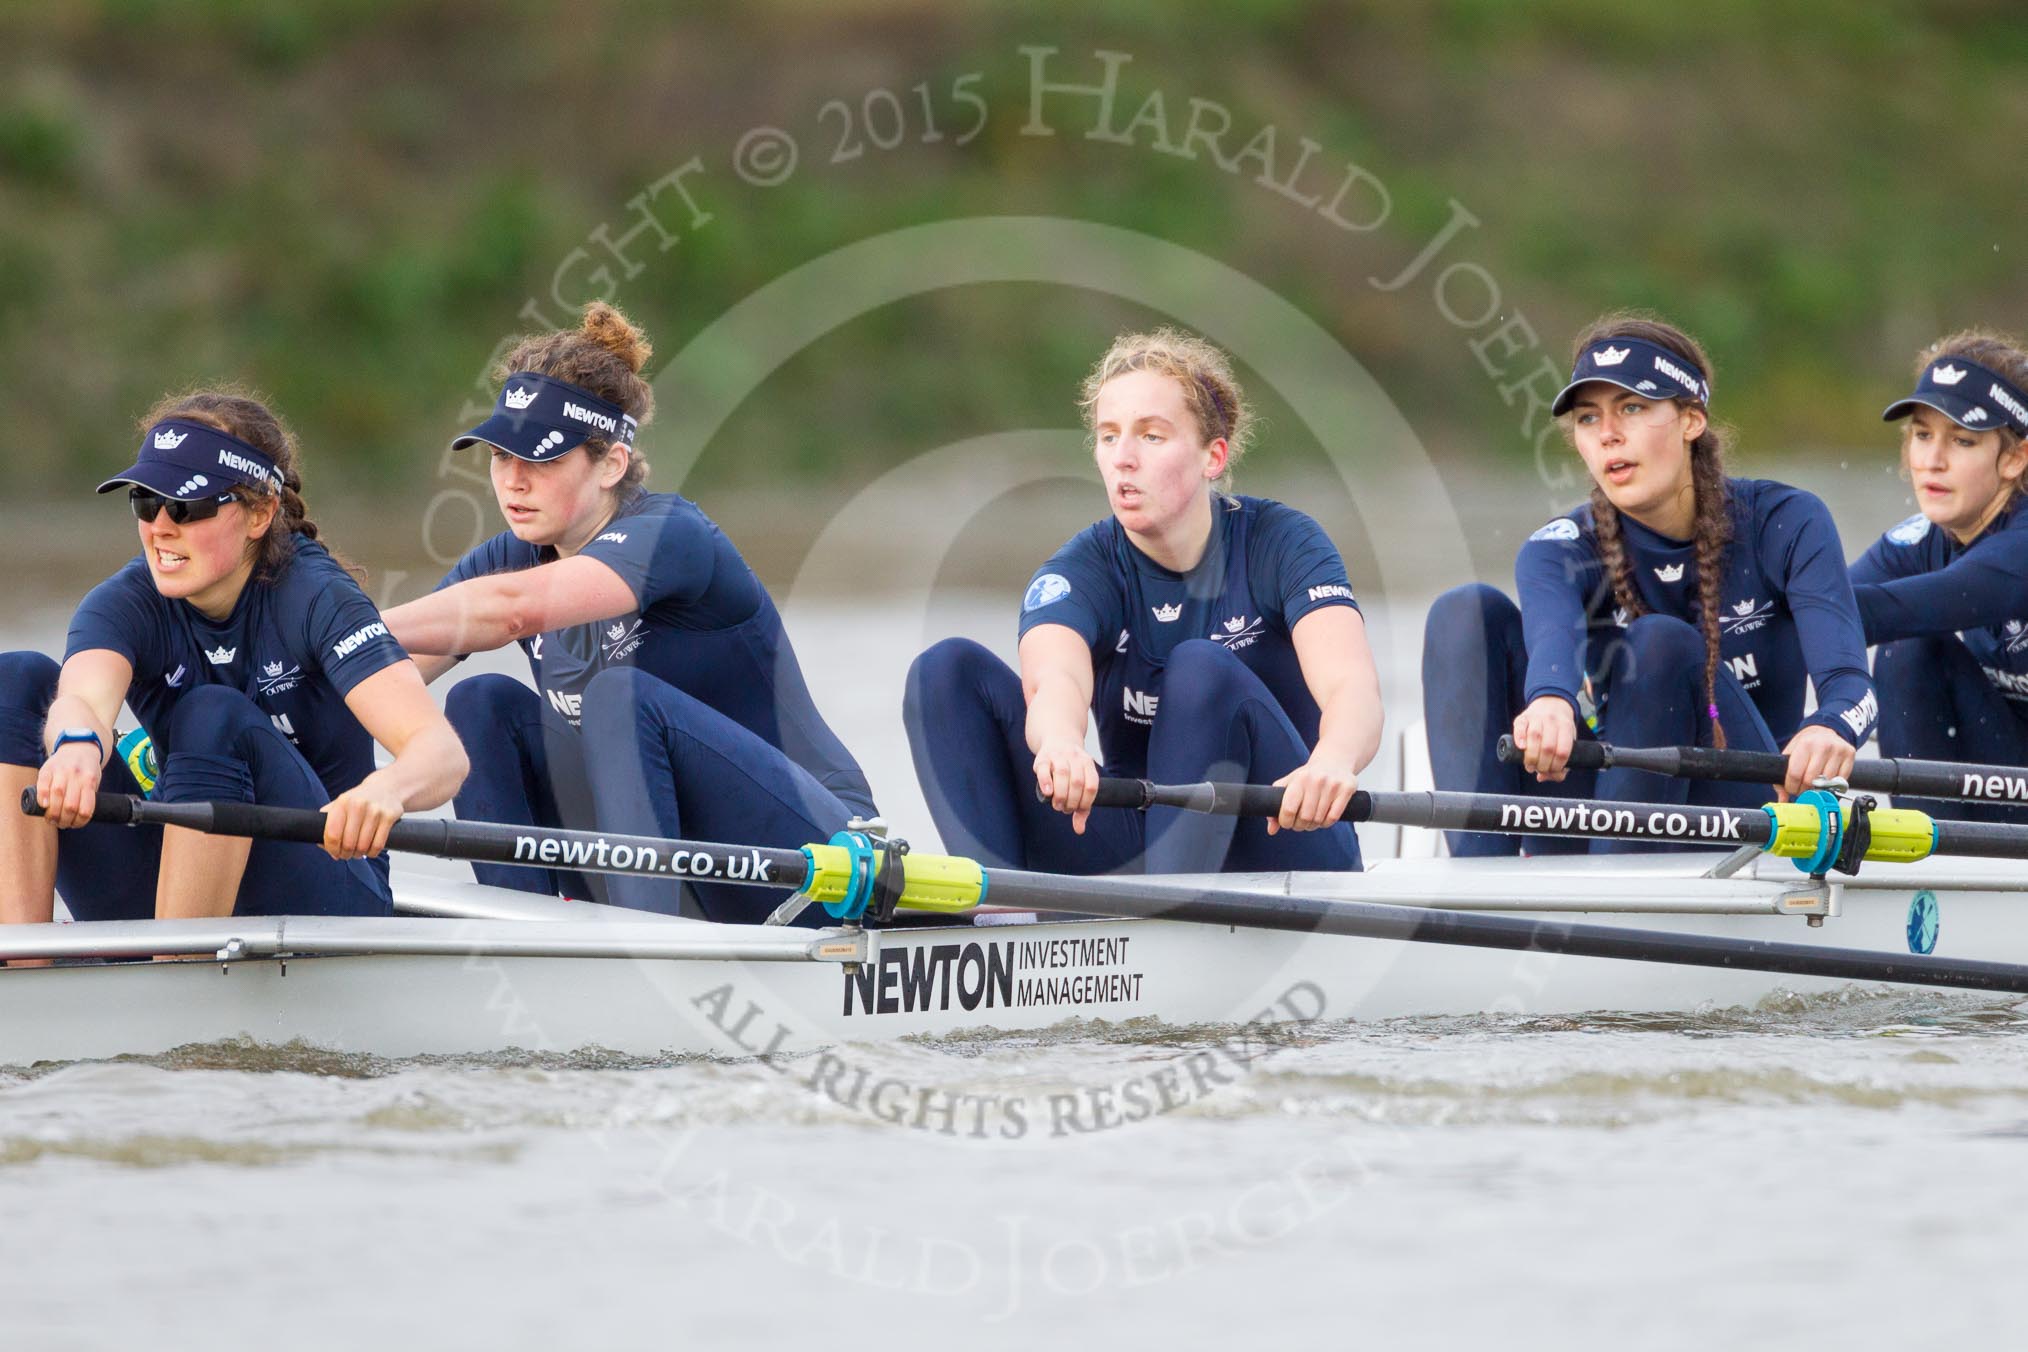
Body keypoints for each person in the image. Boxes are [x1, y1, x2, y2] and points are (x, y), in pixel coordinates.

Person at [381, 303, 875, 922]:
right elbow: (378, 668)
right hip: (676, 853)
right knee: (479, 703)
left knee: (620, 695)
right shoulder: (509, 558)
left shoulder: (673, 535)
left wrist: (344, 634)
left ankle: (645, 948)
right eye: (501, 456)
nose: (513, 482)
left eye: (542, 459)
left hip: (820, 854)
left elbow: (509, 613)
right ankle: (521, 932)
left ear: (611, 463)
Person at [904, 327, 1380, 876]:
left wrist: (1333, 761)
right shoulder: (1080, 570)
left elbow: (1353, 689)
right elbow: (1054, 681)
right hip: (1147, 840)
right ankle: (999, 908)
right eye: (1109, 437)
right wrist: (1061, 744)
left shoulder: (1283, 542)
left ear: (1213, 457)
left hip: (1285, 832)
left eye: (1151, 436)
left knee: (1199, 666)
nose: (1123, 458)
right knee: (944, 670)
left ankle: (1167, 911)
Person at [0, 389, 466, 926]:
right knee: (18, 680)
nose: (160, 527)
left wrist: (387, 790)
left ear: (260, 513)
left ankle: (178, 981)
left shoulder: (317, 597)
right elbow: (82, 696)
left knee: (212, 714)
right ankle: (23, 968)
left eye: (187, 505)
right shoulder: (125, 601)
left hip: (325, 891)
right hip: (179, 881)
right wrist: (77, 746)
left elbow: (440, 755)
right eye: (146, 503)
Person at [1422, 312, 1876, 855]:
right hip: (1604, 804)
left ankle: (1610, 893)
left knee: (1660, 641)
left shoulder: (1787, 522)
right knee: (1464, 613)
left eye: (1632, 408)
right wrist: (1549, 701)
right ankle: (1479, 892)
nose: (1608, 433)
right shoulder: (1559, 548)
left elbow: (1854, 688)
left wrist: (1830, 729)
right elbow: (1551, 641)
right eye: (1588, 419)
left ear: (1691, 421)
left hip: (1743, 809)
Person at [1848, 330, 2028, 823]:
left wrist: (1804, 608)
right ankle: (1931, 863)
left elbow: (1934, 600)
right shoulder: (1919, 541)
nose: (1933, 459)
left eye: (1962, 440)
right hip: (2011, 777)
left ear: (2015, 457)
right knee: (1910, 651)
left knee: (1906, 639)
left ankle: (1941, 865)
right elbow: (1823, 605)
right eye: (1923, 435)